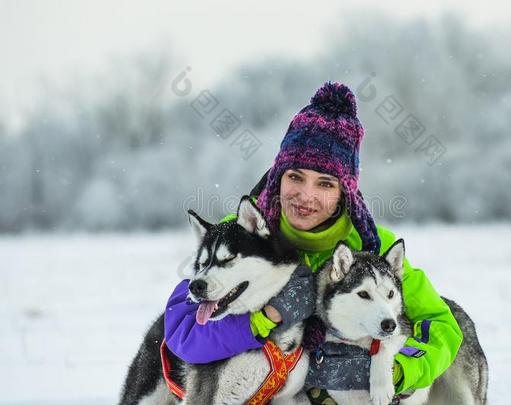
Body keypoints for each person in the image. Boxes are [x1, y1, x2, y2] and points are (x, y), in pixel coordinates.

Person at [164, 82, 463, 403]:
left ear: (344, 193)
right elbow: (183, 334)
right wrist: (263, 319)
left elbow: (441, 324)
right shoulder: (238, 234)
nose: (306, 196)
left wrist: (398, 369)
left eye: (324, 183)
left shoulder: (370, 246)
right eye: (295, 177)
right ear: (278, 176)